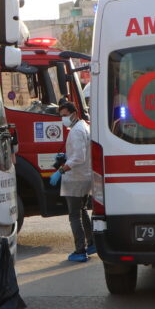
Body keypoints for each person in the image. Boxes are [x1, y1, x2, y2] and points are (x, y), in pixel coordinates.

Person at [57, 100, 94, 262]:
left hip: (75, 178)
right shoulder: (84, 127)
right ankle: (92, 243)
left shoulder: (76, 131)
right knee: (83, 209)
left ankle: (80, 250)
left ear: (74, 114)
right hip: (85, 176)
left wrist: (62, 169)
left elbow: (79, 157)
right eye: (61, 116)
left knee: (74, 215)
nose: (63, 119)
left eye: (65, 115)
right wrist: (66, 157)